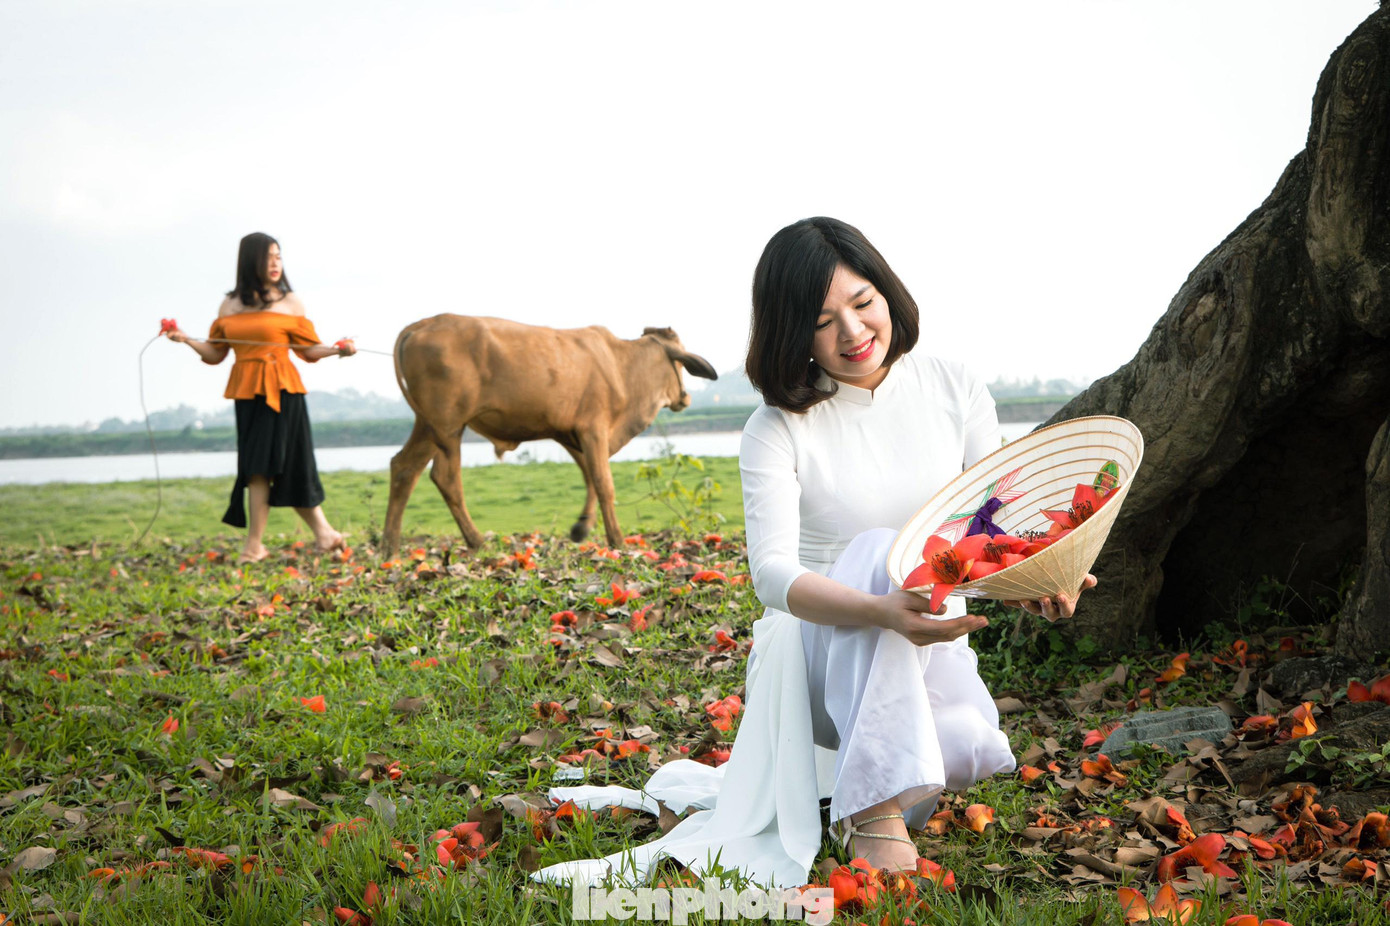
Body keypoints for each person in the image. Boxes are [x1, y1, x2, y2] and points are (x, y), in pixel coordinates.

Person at [531, 217, 1095, 889]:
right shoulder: (774, 427)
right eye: (822, 321)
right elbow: (772, 575)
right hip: (814, 655)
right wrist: (880, 610)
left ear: (887, 293)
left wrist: (1038, 578)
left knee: (966, 751)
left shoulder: (955, 387)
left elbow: (988, 527)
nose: (853, 332)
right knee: (879, 551)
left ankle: (869, 779)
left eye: (863, 303)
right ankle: (870, 814)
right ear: (791, 333)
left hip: (923, 640)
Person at [166, 232, 356, 564]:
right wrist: (185, 340)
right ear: (250, 260)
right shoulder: (229, 305)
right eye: (268, 257)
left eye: (278, 256)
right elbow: (215, 353)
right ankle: (322, 535)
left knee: (280, 466)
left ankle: (260, 545)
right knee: (259, 467)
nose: (275, 263)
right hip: (247, 392)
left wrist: (336, 350)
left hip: (283, 391)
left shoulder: (290, 302)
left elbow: (308, 350)